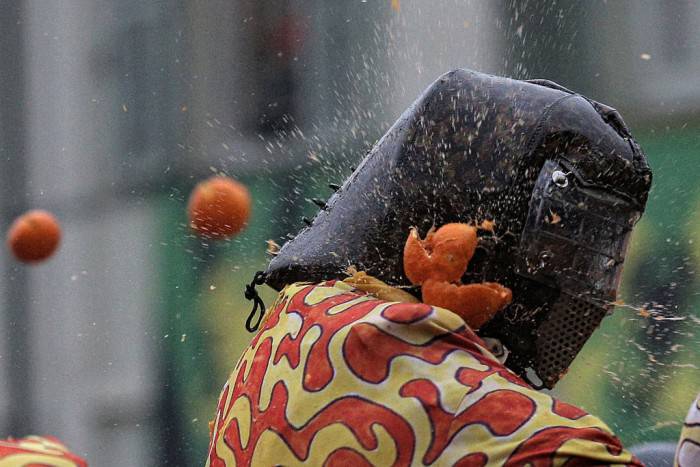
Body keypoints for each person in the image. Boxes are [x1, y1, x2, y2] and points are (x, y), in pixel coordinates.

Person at [206, 69, 652, 465]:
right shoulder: (411, 360)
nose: (586, 291)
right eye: (561, 250)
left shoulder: (294, 323)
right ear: (476, 244)